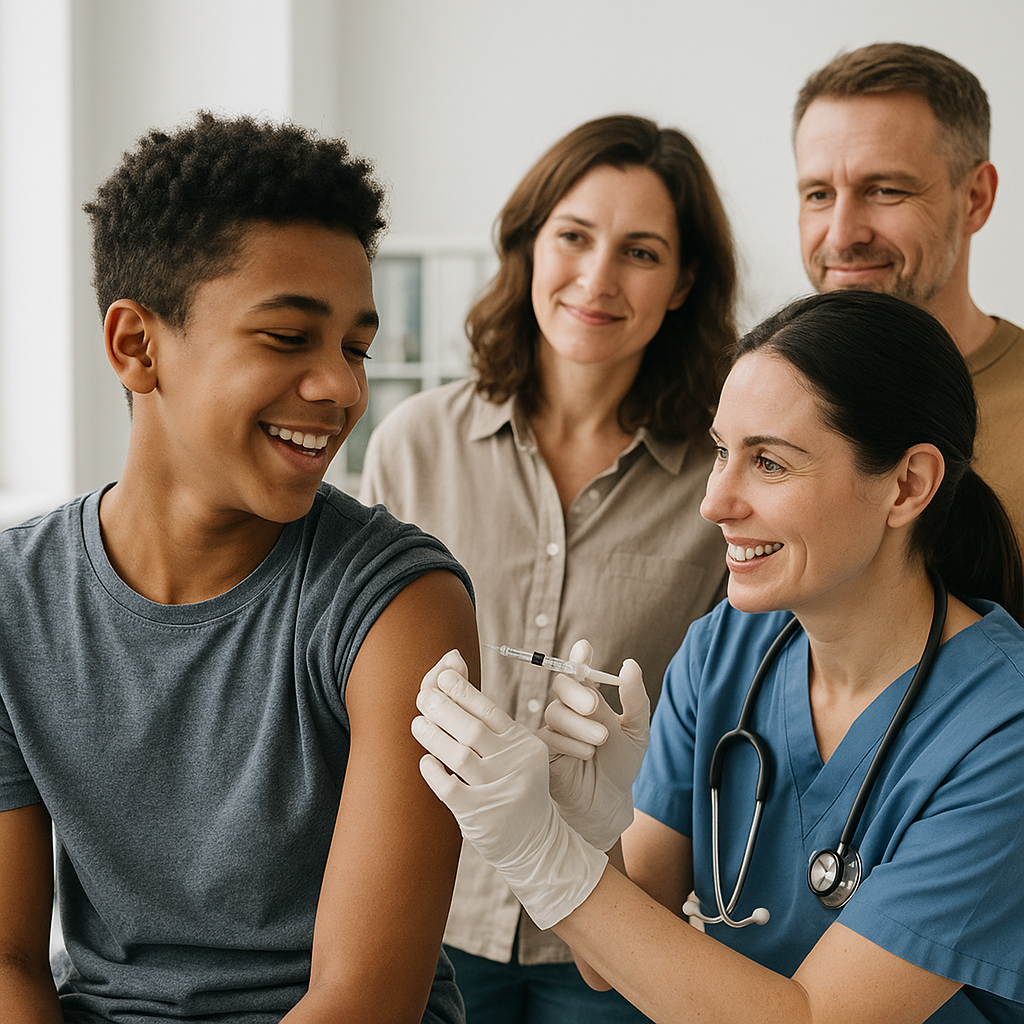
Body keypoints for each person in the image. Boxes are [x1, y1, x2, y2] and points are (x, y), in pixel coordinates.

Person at [413, 290, 1024, 1023]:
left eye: (768, 463)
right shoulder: (721, 652)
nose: (715, 501)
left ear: (907, 485)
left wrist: (540, 857)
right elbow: (614, 965)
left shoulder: (1003, 729)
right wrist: (593, 833)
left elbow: (813, 1018)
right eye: (721, 451)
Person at [0, 112, 479, 1023]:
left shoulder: (401, 607)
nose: (342, 388)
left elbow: (364, 1002)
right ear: (137, 347)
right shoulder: (14, 601)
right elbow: (8, 959)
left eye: (354, 347)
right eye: (288, 337)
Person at [360, 114, 736, 1022]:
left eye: (641, 252)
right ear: (529, 245)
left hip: (615, 925)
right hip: (429, 905)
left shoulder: (725, 481)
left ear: (683, 281)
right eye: (573, 236)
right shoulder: (414, 444)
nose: (598, 278)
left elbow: (720, 711)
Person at [793, 42, 1024, 545]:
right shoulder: (755, 404)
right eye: (819, 195)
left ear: (976, 198)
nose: (840, 235)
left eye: (886, 190)